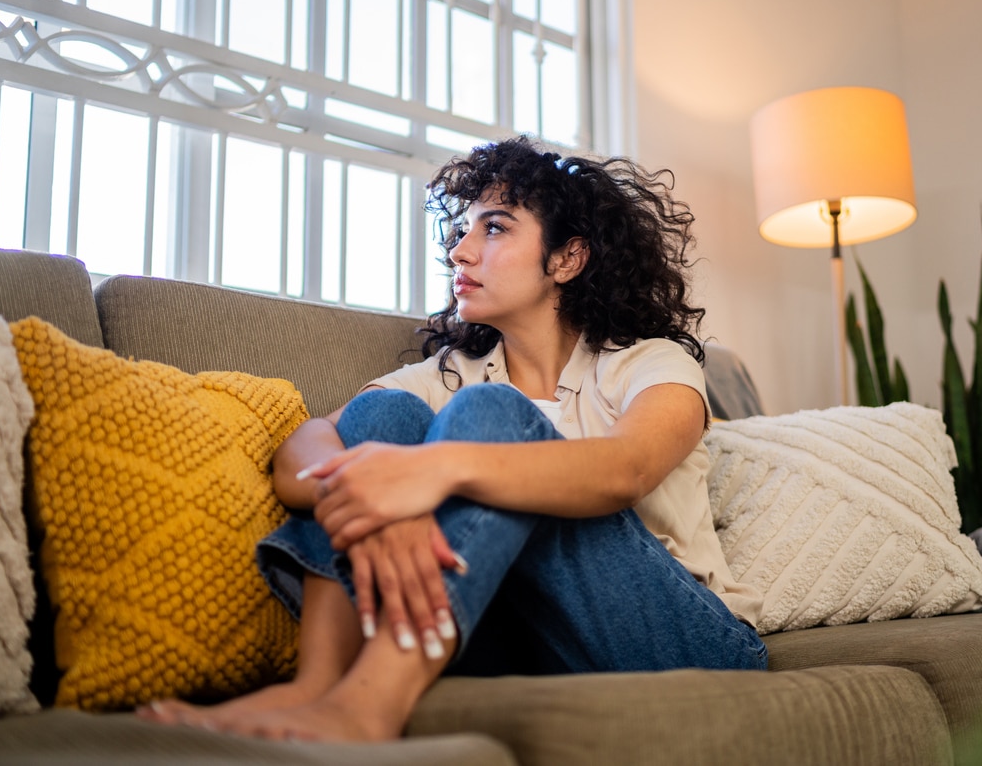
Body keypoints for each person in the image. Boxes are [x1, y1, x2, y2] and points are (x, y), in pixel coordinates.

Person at [138, 135, 765, 742]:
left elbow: (625, 468)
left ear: (567, 258)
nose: (460, 252)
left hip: (683, 640)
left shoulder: (648, 362)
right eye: (462, 232)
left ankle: (367, 710)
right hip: (514, 639)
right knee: (379, 425)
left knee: (490, 413)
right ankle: (320, 684)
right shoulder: (450, 374)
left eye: (494, 228)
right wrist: (387, 509)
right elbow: (306, 445)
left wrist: (438, 472)